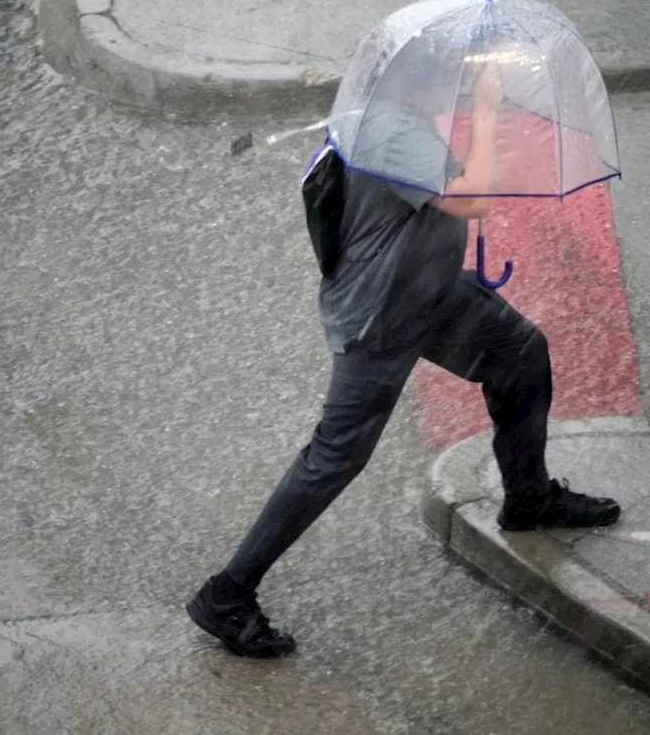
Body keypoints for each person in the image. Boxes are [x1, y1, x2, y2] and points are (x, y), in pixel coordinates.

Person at [186, 50, 620, 659]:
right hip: (382, 316)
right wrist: (490, 112)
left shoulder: (395, 115)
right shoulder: (392, 129)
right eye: (455, 80)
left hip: (429, 292)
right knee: (334, 458)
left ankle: (529, 496)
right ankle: (227, 594)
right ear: (417, 82)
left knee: (520, 352)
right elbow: (472, 198)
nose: (463, 88)